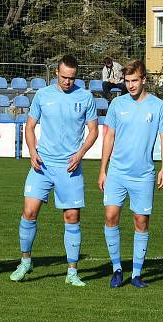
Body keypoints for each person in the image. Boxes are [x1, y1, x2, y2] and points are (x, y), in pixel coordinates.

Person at [9, 55, 98, 287]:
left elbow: (94, 131)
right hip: (43, 165)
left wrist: (79, 154)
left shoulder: (86, 97)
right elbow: (29, 126)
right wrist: (32, 151)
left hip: (70, 167)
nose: (67, 82)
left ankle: (72, 272)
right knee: (29, 212)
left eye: (72, 78)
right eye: (63, 77)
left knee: (72, 217)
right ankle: (25, 262)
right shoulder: (43, 95)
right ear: (56, 73)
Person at [98, 60, 163, 288]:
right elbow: (109, 137)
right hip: (116, 172)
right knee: (110, 217)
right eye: (127, 81)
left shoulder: (158, 105)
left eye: (135, 80)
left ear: (144, 79)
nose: (131, 85)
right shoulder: (117, 104)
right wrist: (103, 169)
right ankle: (116, 269)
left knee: (141, 221)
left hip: (143, 174)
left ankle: (136, 273)